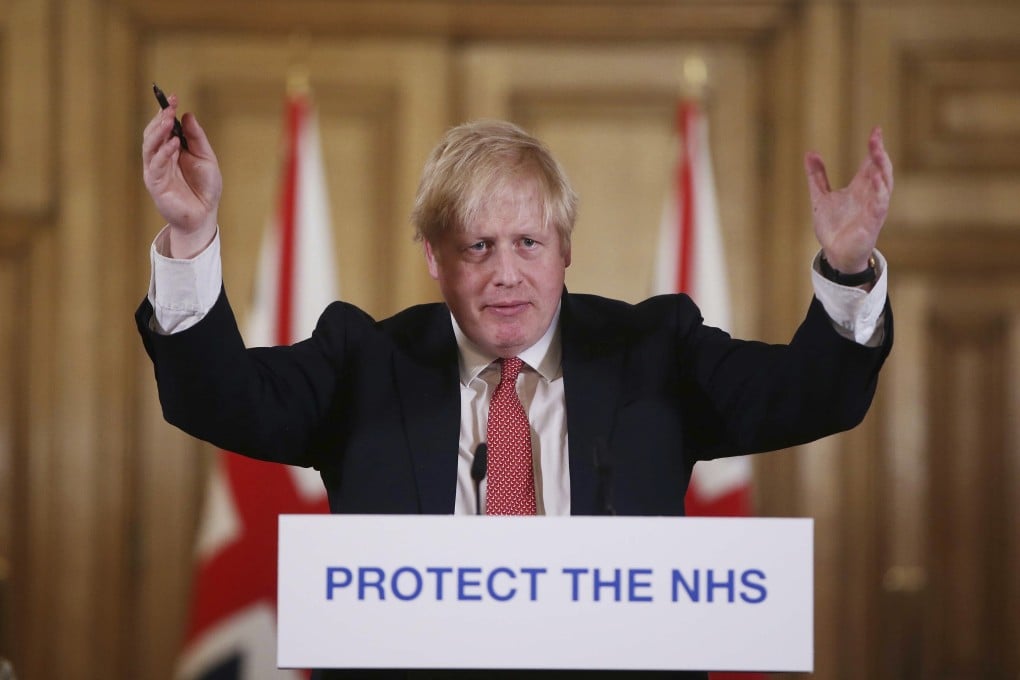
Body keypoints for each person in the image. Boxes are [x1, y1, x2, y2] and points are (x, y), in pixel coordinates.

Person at [137, 96, 893, 678]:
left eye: (529, 242)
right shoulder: (363, 360)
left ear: (566, 249)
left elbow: (809, 394)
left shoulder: (655, 351)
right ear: (435, 257)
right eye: (477, 246)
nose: (506, 272)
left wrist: (848, 272)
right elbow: (220, 398)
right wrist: (192, 237)